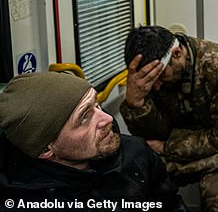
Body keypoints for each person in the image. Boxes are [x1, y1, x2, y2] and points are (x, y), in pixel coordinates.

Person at [120, 26, 218, 212]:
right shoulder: (154, 75)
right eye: (151, 81)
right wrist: (136, 103)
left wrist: (167, 147)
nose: (156, 87)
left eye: (161, 77)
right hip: (189, 142)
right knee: (135, 176)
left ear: (177, 53)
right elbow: (153, 134)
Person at [0, 71, 186, 210]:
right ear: (46, 149)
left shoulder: (135, 153)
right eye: (84, 118)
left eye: (96, 104)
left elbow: (170, 204)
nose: (108, 119)